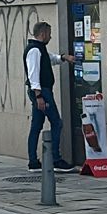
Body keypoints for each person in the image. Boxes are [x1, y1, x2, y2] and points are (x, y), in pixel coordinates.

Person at [25, 22, 74, 170]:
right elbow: (33, 74)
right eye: (49, 33)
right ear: (42, 34)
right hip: (42, 92)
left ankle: (33, 162)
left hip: (41, 91)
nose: (50, 36)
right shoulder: (34, 50)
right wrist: (39, 96)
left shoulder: (40, 49)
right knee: (56, 122)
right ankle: (55, 159)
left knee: (36, 126)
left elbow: (50, 58)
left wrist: (63, 57)